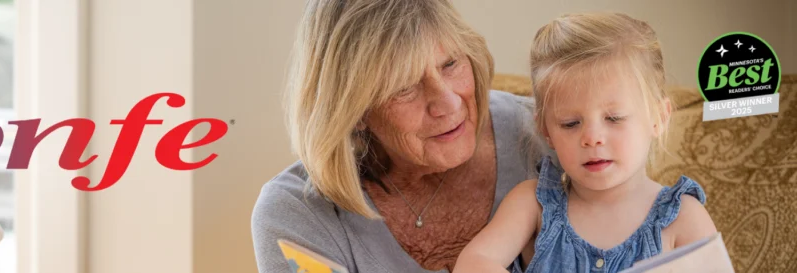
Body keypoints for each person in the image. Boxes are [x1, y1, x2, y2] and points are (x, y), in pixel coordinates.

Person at [250, 0, 548, 272]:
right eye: (404, 87)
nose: (449, 103)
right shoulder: (298, 214)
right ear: (354, 111)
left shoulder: (552, 139)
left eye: (450, 64)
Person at [453, 12, 719, 273]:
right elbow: (472, 264)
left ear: (658, 118)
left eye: (614, 118)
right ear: (546, 130)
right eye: (570, 123)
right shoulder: (533, 205)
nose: (592, 138)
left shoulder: (684, 219)